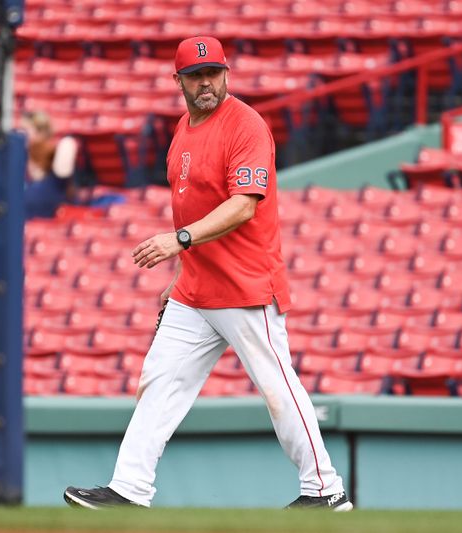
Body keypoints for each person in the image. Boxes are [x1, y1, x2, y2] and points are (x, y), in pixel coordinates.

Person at [64, 36, 352, 511]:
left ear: (227, 74)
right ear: (177, 81)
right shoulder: (183, 128)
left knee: (278, 389)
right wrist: (177, 275)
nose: (205, 82)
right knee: (159, 381)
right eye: (195, 75)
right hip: (196, 290)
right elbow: (191, 205)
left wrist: (177, 242)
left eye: (213, 73)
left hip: (245, 287)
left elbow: (241, 207)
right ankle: (129, 490)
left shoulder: (246, 126)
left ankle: (325, 489)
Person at [20, 110, 78, 219]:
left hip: (50, 221)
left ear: (40, 132)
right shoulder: (20, 159)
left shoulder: (56, 154)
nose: (20, 135)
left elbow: (68, 144)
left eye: (25, 131)